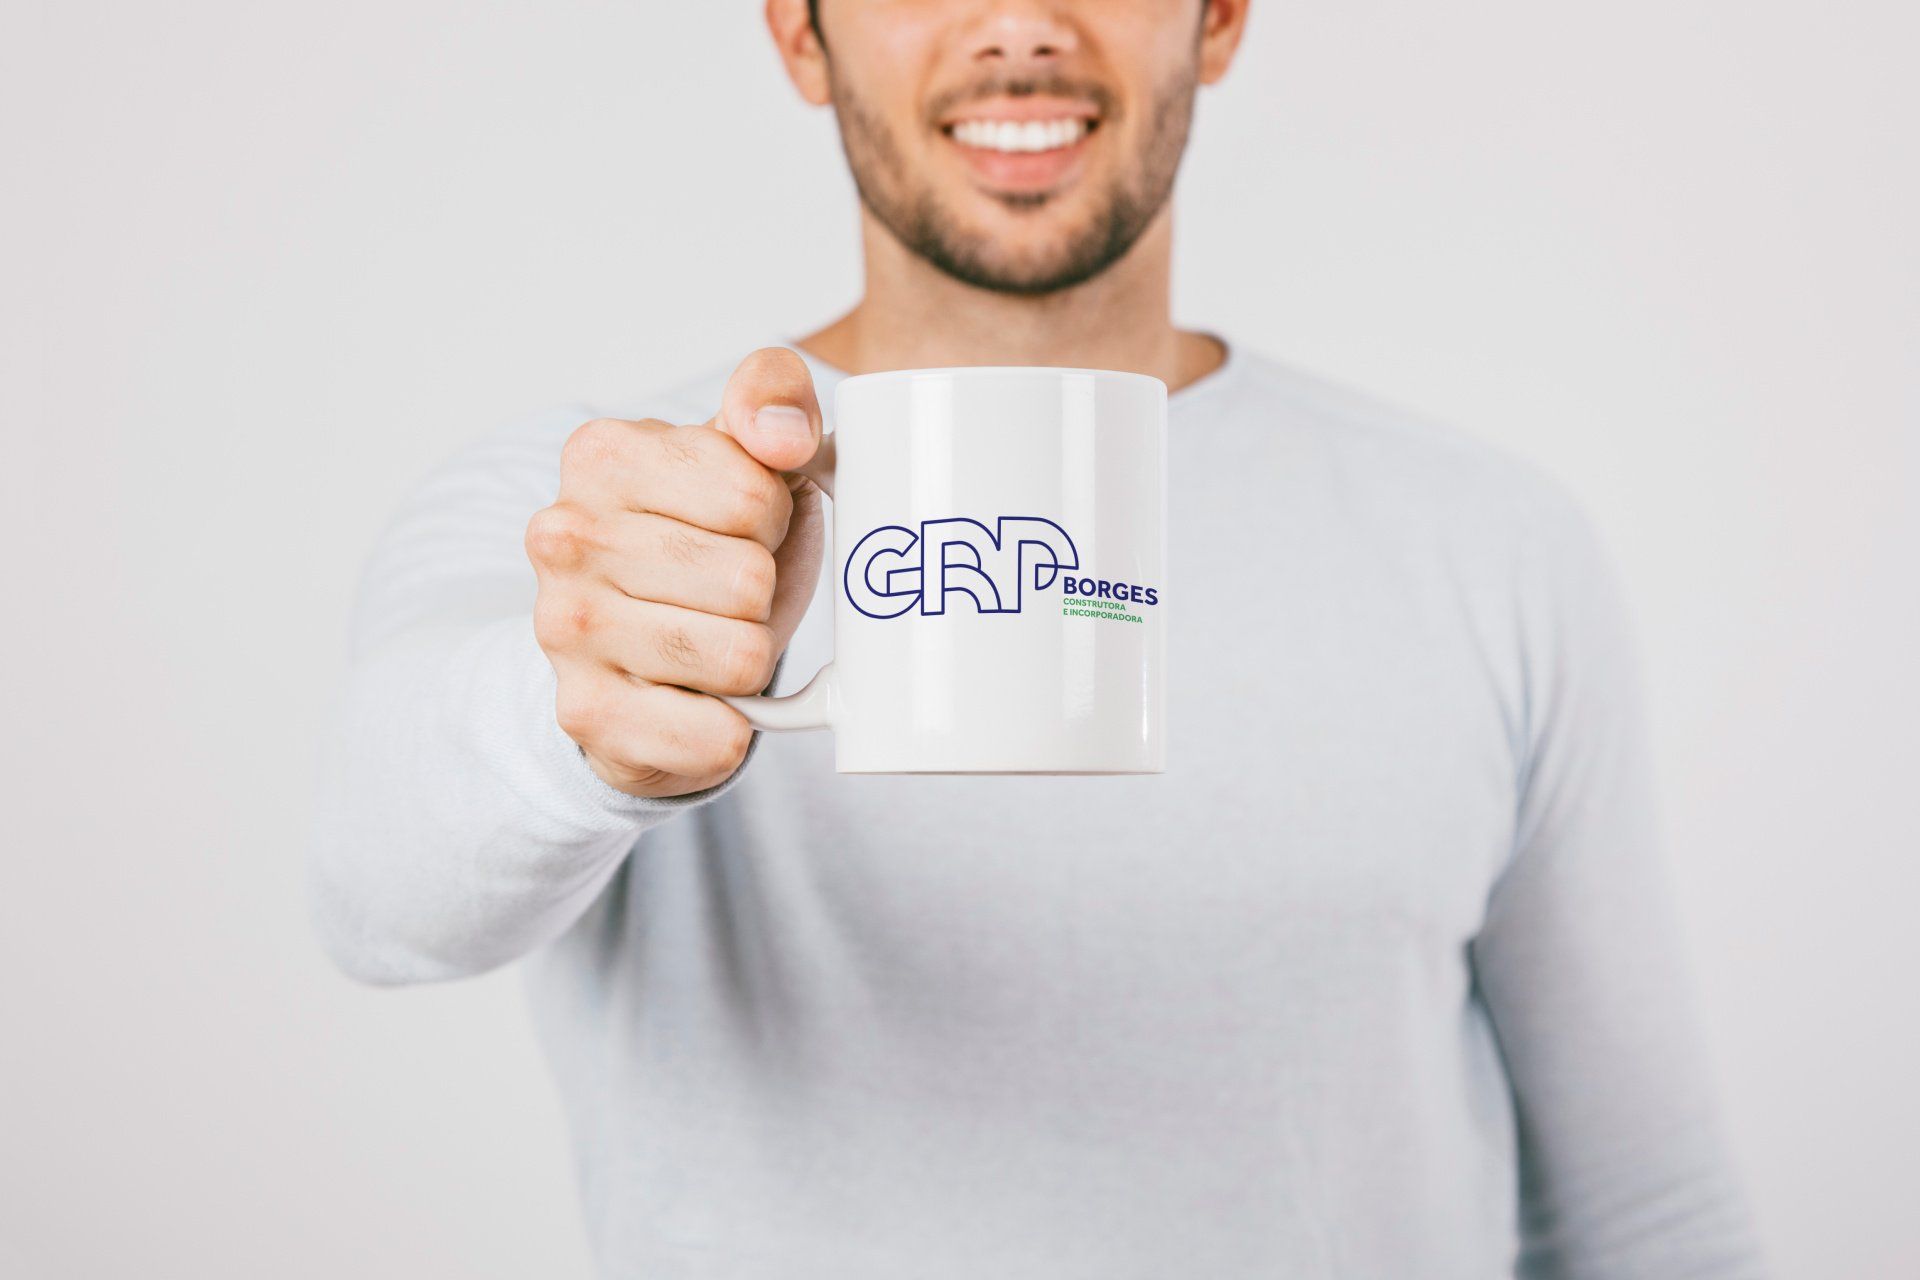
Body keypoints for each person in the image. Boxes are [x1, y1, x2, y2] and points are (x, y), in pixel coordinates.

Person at [310, 1, 1764, 1275]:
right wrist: (586, 722)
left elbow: (1646, 1217)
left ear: (1219, 17)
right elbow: (381, 894)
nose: (1017, 22)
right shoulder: (597, 523)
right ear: (801, 34)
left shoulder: (1492, 546)